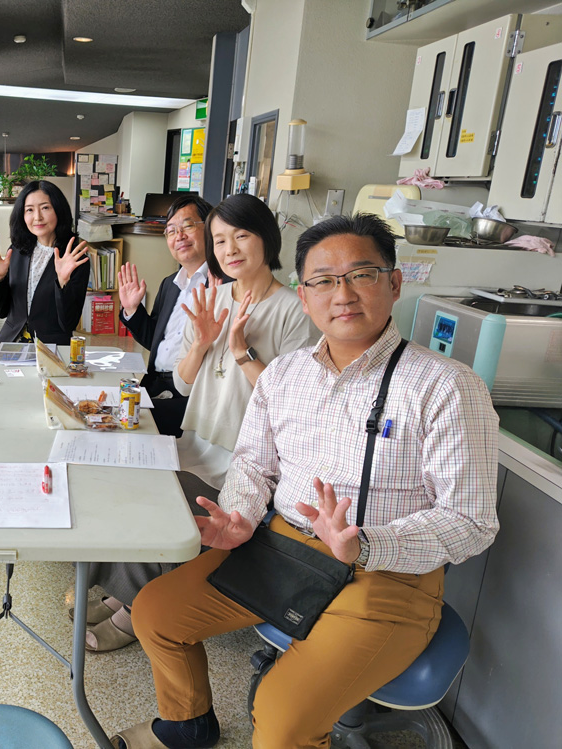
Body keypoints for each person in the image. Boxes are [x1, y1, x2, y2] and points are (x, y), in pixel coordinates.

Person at [110, 213, 500, 749]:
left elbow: (471, 522)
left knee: (281, 718)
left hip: (388, 576)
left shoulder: (448, 386)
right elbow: (254, 465)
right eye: (323, 280)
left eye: (361, 274)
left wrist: (366, 544)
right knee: (156, 611)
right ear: (304, 294)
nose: (343, 294)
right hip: (284, 549)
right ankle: (187, 724)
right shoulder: (284, 374)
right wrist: (242, 515)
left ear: (394, 282)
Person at [83, 195, 318, 653]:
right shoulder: (212, 297)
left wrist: (241, 352)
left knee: (163, 498)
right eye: (220, 240)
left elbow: (290, 404)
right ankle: (124, 594)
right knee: (126, 480)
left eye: (241, 236)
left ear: (267, 239)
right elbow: (183, 384)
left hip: (240, 459)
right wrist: (202, 343)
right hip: (196, 439)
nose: (230, 249)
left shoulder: (293, 311)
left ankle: (133, 610)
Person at [116, 194, 214, 437]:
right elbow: (155, 340)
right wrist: (132, 310)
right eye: (171, 231)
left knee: (120, 423)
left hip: (191, 396)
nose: (179, 236)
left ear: (210, 228)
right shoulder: (170, 284)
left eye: (187, 226)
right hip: (155, 385)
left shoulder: (222, 285)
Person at [0, 180, 91, 345]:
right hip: (12, 342)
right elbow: (2, 312)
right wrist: (0, 279)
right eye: (29, 210)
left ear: (59, 210)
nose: (37, 217)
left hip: (51, 346)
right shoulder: (17, 250)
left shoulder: (74, 258)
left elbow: (68, 323)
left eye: (45, 208)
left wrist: (62, 283)